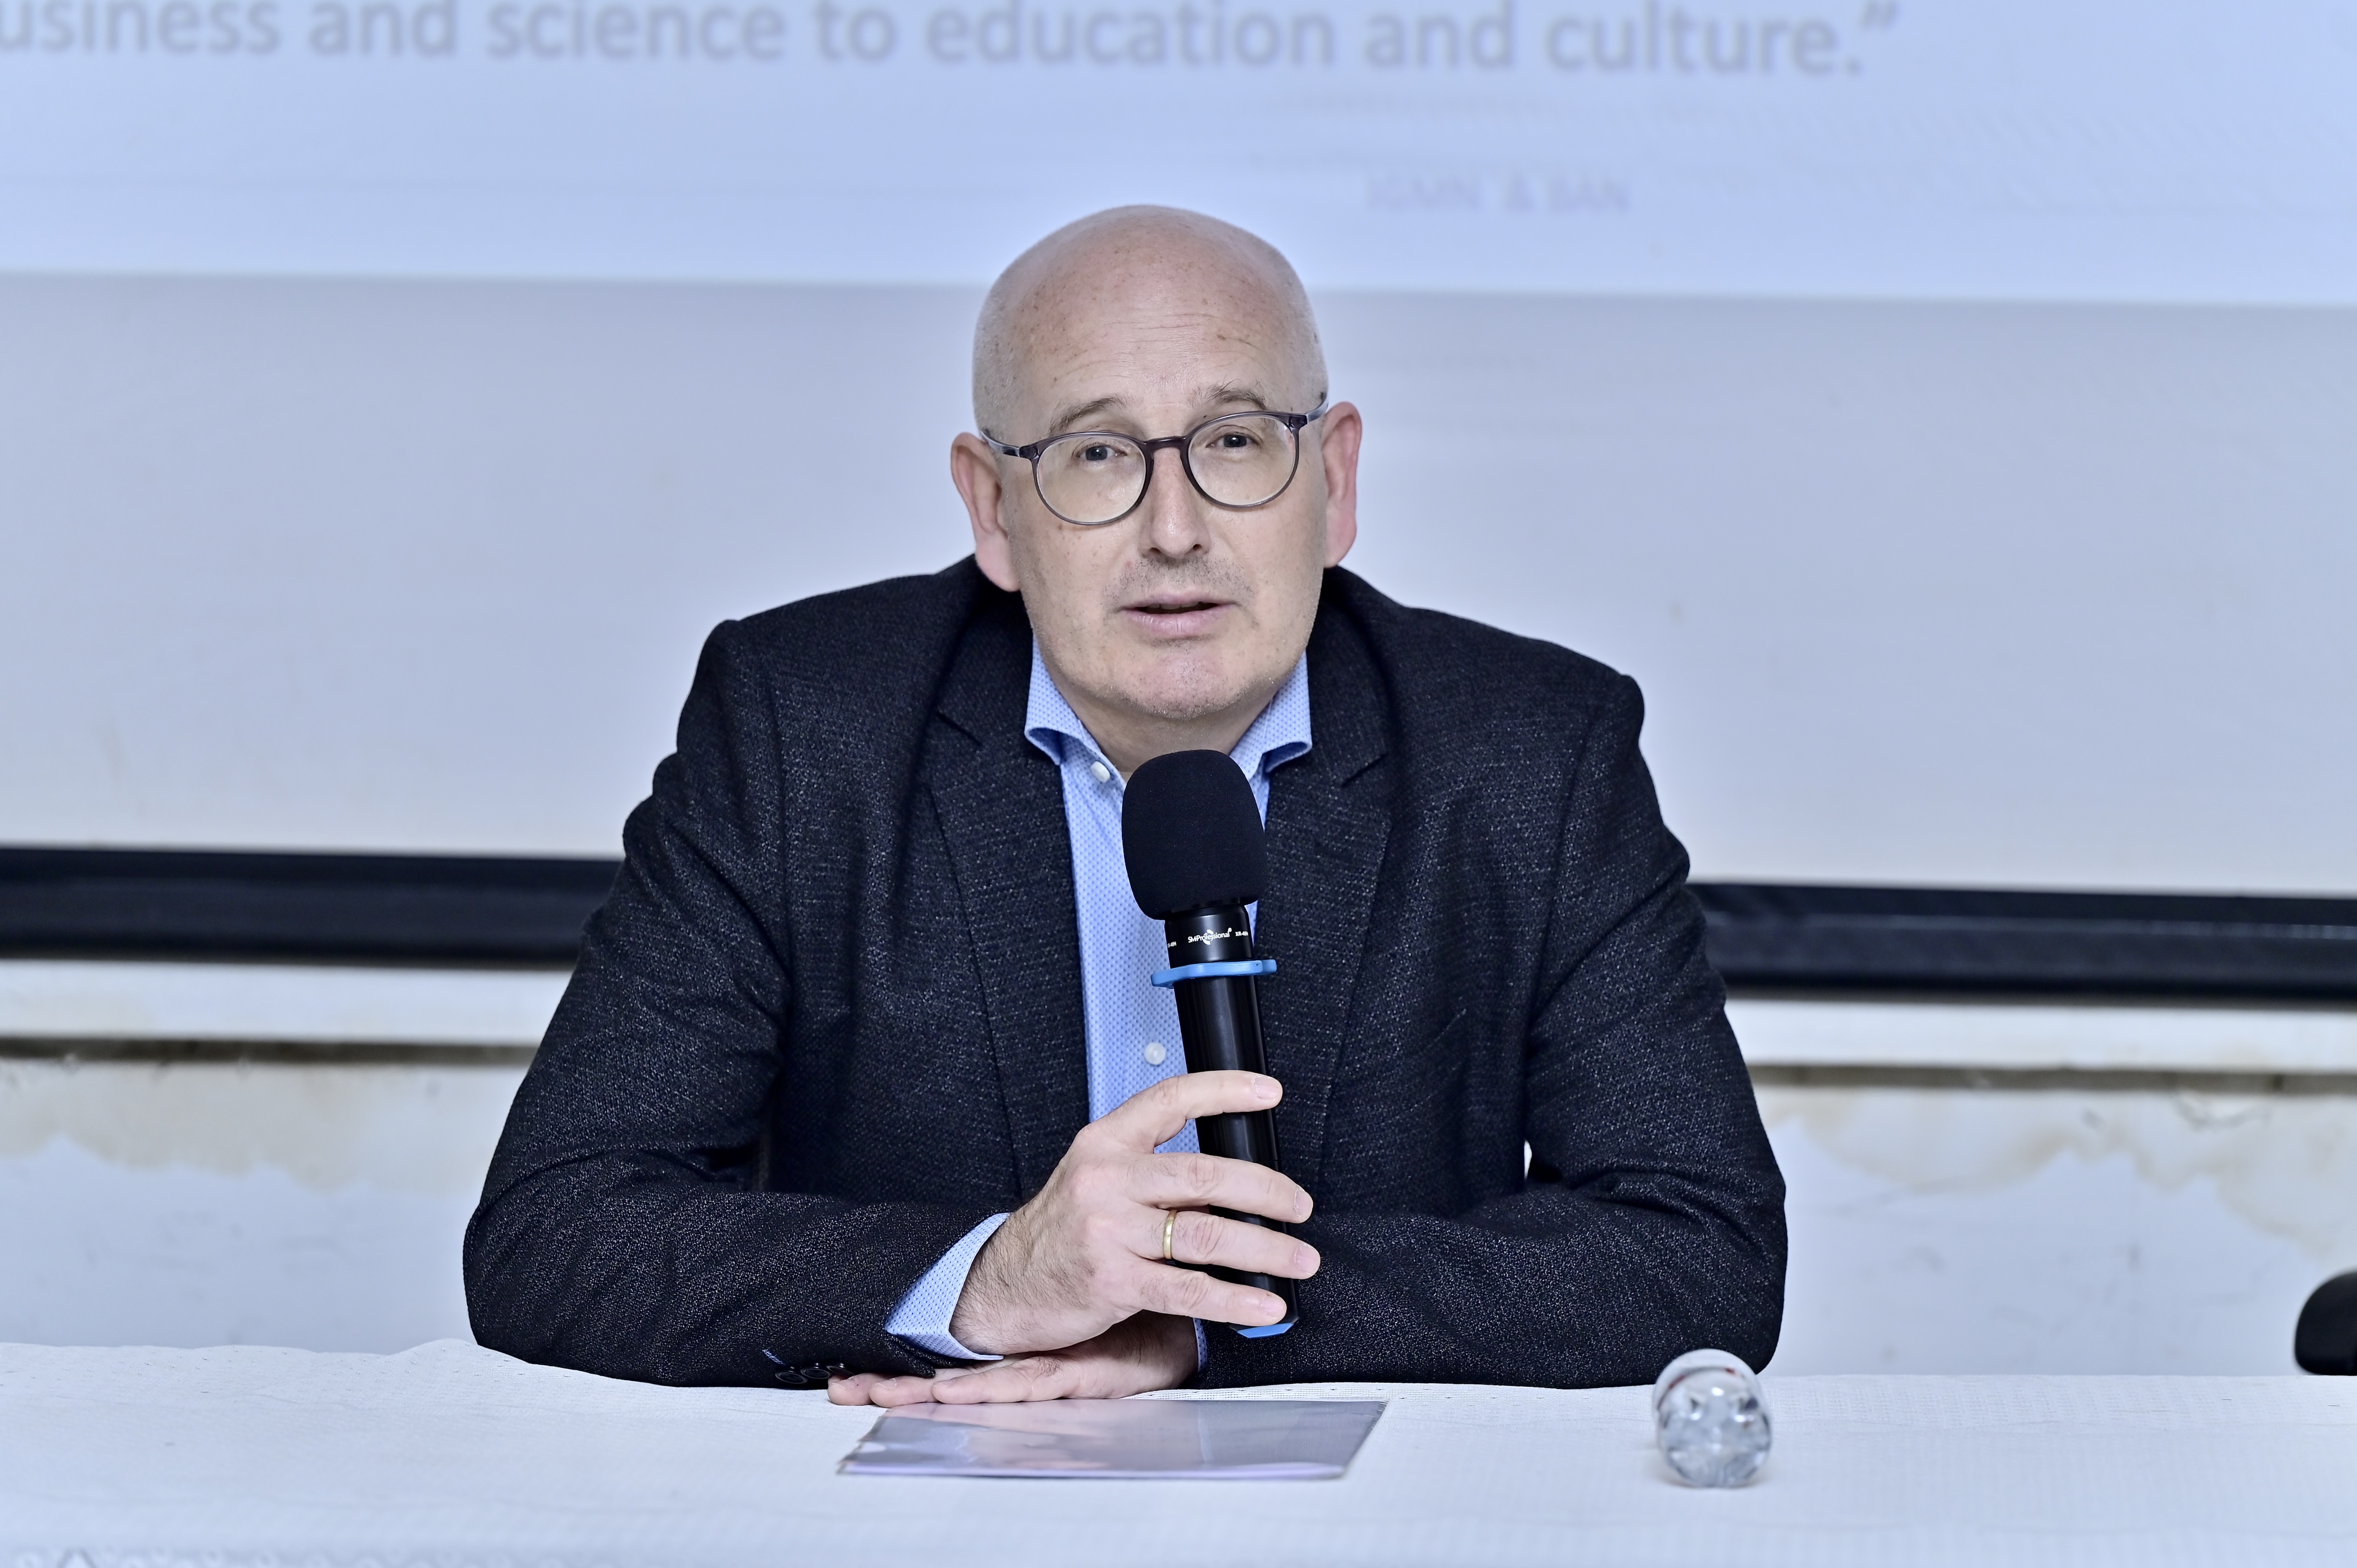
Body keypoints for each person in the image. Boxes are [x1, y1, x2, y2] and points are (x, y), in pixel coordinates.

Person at [463, 206, 1786, 1404]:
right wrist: (991, 1280)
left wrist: (1204, 1319)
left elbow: (1699, 1246)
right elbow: (553, 1227)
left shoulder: (1531, 753)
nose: (1173, 528)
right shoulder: (801, 731)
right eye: (1097, 454)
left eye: (1234, 441)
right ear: (993, 508)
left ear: (1335, 480)